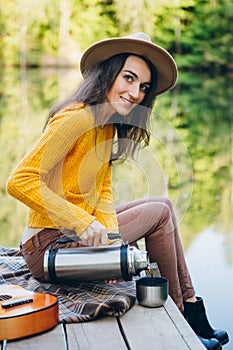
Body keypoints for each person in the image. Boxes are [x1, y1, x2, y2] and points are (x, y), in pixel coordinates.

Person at [6, 32, 228, 350]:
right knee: (160, 213)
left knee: (162, 203)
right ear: (109, 74)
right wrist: (81, 222)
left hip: (70, 241)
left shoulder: (105, 126)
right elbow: (20, 180)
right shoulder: (76, 118)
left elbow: (104, 194)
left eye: (143, 87)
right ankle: (185, 317)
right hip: (48, 250)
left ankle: (192, 307)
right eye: (129, 78)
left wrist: (109, 244)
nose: (135, 92)